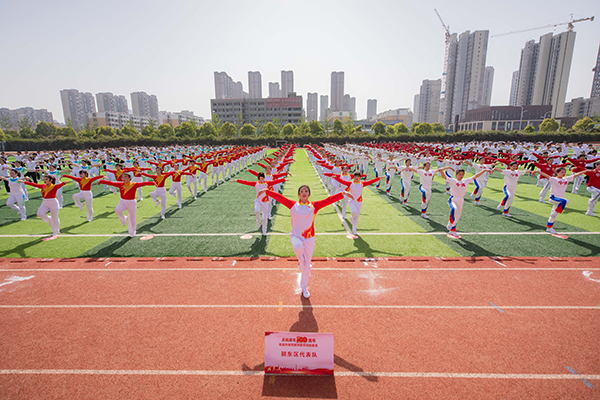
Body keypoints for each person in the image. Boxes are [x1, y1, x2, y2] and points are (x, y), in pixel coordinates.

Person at [263, 185, 350, 298]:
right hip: (296, 236)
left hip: (309, 238)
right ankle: (300, 260)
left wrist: (342, 194)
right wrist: (267, 191)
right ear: (299, 194)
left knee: (307, 266)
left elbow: (328, 200)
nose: (304, 193)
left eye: (306, 191)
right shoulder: (293, 205)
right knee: (298, 247)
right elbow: (280, 198)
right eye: (302, 191)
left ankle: (304, 287)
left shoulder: (314, 206)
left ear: (309, 194)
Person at [97, 172, 155, 237]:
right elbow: (111, 183)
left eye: (125, 177)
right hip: (123, 201)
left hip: (131, 202)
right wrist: (101, 181)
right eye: (122, 177)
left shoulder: (134, 184)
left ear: (130, 178)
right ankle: (124, 219)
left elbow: (143, 183)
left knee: (132, 218)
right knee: (117, 210)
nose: (123, 179)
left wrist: (153, 183)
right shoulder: (120, 184)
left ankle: (132, 232)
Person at [534, 167, 586, 234]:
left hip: (560, 199)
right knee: (565, 201)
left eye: (564, 172)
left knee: (553, 215)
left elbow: (575, 175)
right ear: (557, 173)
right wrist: (538, 172)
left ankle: (549, 227)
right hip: (553, 198)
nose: (563, 173)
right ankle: (556, 212)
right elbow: (545, 175)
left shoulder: (566, 179)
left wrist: (585, 171)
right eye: (562, 172)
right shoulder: (553, 179)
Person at [444, 168, 487, 237]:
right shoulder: (453, 181)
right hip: (453, 199)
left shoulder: (465, 181)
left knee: (458, 216)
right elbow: (445, 176)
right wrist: (441, 169)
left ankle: (453, 230)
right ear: (456, 175)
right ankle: (450, 223)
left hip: (461, 200)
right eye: (460, 174)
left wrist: (484, 170)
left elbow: (475, 176)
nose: (461, 176)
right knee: (454, 209)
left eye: (462, 174)